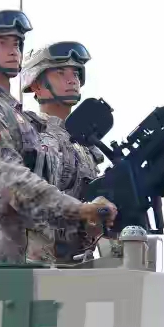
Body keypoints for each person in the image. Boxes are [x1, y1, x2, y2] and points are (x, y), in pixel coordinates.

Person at [0, 10, 116, 265]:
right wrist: (80, 210)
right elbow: (12, 181)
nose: (13, 51)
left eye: (16, 43)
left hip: (28, 261)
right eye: (2, 43)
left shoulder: (20, 120)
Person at [19, 41, 105, 264]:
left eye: (75, 73)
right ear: (37, 85)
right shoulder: (27, 133)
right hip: (33, 265)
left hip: (79, 263)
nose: (72, 79)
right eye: (60, 73)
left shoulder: (86, 146)